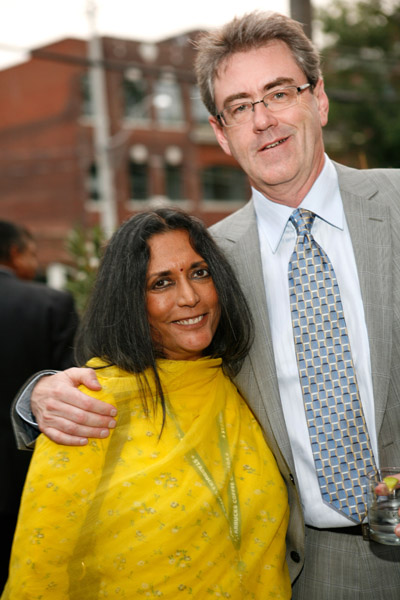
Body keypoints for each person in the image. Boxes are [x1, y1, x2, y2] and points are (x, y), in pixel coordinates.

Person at [9, 11, 400, 598]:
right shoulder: (206, 264)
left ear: (318, 100)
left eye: (279, 92)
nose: (263, 119)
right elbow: (143, 372)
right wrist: (36, 397)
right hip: (315, 569)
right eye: (241, 106)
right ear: (221, 132)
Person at [2, 208, 291, 599]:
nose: (189, 297)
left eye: (200, 272)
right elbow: (41, 568)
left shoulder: (237, 383)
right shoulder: (88, 406)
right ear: (129, 300)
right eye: (161, 283)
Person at [0, 220, 79, 590]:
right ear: (15, 254)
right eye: (32, 254)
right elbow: (77, 388)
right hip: (28, 479)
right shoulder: (50, 303)